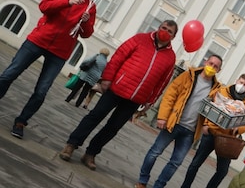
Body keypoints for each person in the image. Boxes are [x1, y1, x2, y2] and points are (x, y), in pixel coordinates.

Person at [58, 20, 178, 170]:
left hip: (136, 98)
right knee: (95, 116)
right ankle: (71, 145)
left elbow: (162, 82)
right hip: (117, 88)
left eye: (169, 31)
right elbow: (118, 57)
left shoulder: (170, 57)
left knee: (113, 128)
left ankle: (91, 153)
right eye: (163, 28)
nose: (165, 32)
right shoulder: (140, 39)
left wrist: (151, 101)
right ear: (158, 28)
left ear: (173, 37)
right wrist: (107, 78)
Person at [0, 0, 97, 139]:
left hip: (60, 51)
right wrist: (67, 2)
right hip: (38, 40)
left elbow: (88, 34)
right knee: (9, 74)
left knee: (41, 91)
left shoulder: (90, 4)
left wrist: (86, 21)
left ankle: (21, 121)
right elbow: (44, 7)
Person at [134, 56, 222, 188]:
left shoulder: (216, 89)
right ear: (205, 62)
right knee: (155, 152)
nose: (212, 67)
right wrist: (162, 117)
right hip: (174, 122)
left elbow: (213, 110)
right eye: (210, 63)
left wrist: (208, 125)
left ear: (218, 70)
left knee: (176, 162)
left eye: (216, 66)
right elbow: (171, 94)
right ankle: (142, 181)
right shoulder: (189, 75)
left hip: (190, 130)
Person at [174, 73, 245, 188]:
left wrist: (239, 129)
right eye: (241, 82)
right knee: (195, 163)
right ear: (237, 80)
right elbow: (209, 107)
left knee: (222, 172)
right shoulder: (222, 91)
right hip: (211, 132)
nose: (242, 86)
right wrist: (205, 124)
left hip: (227, 139)